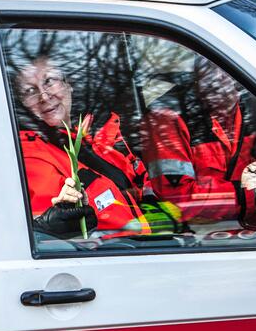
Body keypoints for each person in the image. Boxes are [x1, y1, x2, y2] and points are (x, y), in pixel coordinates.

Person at [13, 56, 152, 239]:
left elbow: (138, 187)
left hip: (144, 246)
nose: (44, 97)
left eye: (49, 81)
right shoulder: (30, 155)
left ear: (67, 84)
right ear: (22, 104)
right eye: (30, 91)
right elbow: (46, 234)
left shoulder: (92, 138)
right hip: (107, 256)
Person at [141, 58, 256, 228]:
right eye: (210, 68)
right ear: (195, 73)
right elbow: (177, 199)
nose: (219, 78)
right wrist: (248, 195)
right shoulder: (166, 118)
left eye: (226, 68)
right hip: (196, 238)